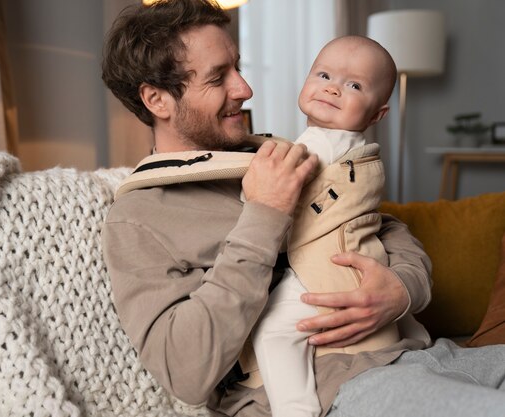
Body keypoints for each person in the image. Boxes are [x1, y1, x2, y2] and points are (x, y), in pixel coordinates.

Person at [101, 1, 505, 416]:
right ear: (157, 100)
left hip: (425, 354)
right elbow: (185, 371)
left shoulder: (274, 151)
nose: (245, 89)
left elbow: (377, 224)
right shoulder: (140, 217)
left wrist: (403, 288)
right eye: (218, 77)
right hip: (338, 385)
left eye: (238, 68)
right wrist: (264, 215)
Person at [249, 35, 399, 417]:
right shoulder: (346, 145)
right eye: (324, 74)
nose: (333, 87)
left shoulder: (320, 144)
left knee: (275, 331)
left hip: (322, 272)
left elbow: (279, 198)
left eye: (354, 85)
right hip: (350, 263)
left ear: (377, 114)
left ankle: (295, 410)